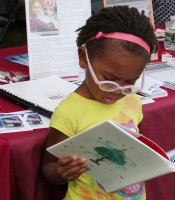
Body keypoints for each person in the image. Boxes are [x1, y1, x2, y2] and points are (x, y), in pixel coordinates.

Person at [41, 5, 157, 200]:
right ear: (83, 58)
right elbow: (48, 167)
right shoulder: (71, 111)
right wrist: (62, 172)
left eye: (129, 82)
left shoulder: (132, 101)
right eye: (109, 78)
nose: (118, 90)